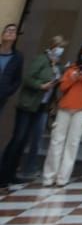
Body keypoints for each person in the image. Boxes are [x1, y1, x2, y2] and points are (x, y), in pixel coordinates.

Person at [0, 33, 64, 194]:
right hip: (28, 105)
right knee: (18, 138)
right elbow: (28, 78)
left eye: (62, 48)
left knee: (25, 140)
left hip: (41, 106)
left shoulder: (56, 65)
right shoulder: (41, 60)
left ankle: (12, 173)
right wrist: (40, 86)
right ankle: (3, 175)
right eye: (59, 47)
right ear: (52, 47)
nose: (61, 50)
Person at [43, 37, 82, 187]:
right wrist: (74, 77)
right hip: (65, 106)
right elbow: (62, 87)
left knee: (72, 143)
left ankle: (63, 177)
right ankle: (49, 175)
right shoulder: (73, 67)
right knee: (57, 140)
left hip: (81, 108)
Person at [0, 25, 24, 125]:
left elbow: (18, 79)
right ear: (2, 35)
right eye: (8, 30)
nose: (10, 32)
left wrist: (7, 91)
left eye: (13, 31)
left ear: (15, 37)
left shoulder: (18, 57)